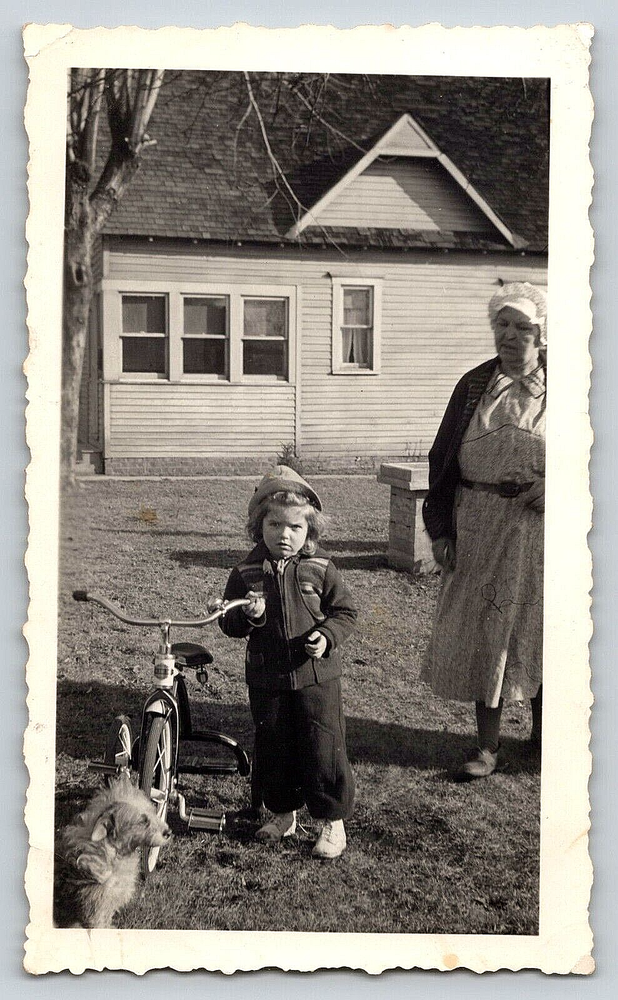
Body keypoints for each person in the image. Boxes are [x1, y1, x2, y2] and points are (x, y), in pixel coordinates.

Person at [421, 281, 546, 779]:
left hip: (538, 531)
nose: (510, 335)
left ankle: (543, 736)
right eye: (502, 325)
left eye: (522, 327)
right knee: (484, 630)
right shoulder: (474, 385)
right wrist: (442, 530)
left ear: (541, 332)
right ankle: (487, 747)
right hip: (476, 524)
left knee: (538, 630)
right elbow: (442, 459)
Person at [219, 465, 357, 858]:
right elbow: (229, 620)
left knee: (323, 744)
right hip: (267, 676)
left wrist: (326, 636)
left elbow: (345, 613)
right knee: (274, 743)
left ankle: (332, 821)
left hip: (317, 677)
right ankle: (283, 812)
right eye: (274, 524)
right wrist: (248, 615)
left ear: (309, 532)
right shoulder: (245, 571)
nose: (284, 535)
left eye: (295, 527)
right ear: (257, 525)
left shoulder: (321, 568)